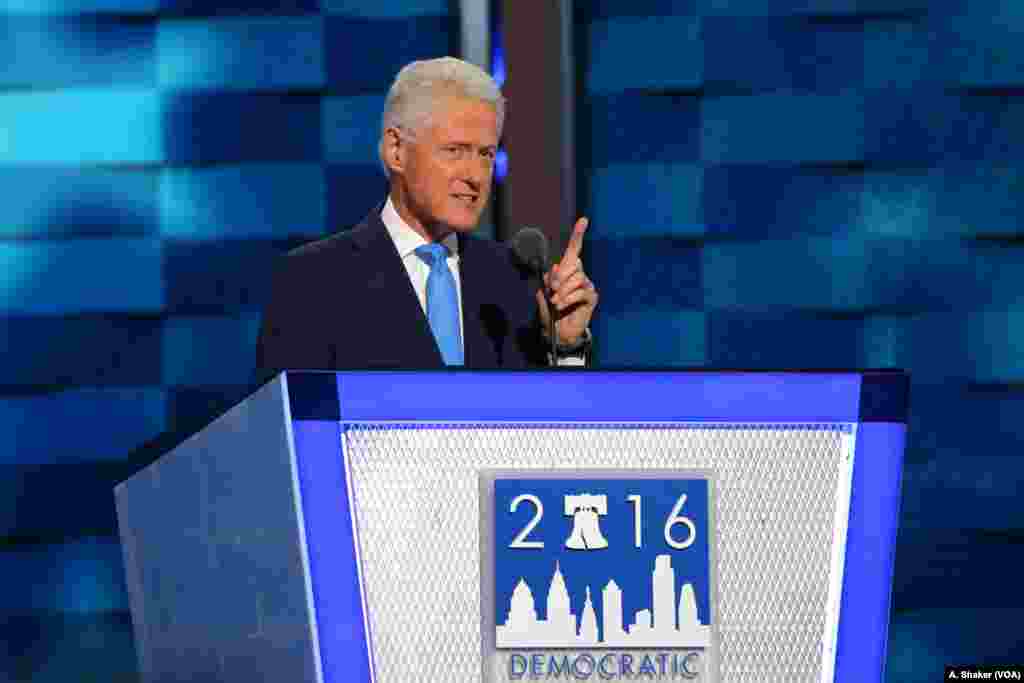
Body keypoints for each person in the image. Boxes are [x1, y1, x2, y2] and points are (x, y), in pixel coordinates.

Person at [255, 57, 598, 380]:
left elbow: (553, 428)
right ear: (396, 151)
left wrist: (565, 345)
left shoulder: (515, 282)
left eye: (485, 154)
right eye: (455, 151)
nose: (475, 176)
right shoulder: (312, 282)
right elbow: (288, 430)